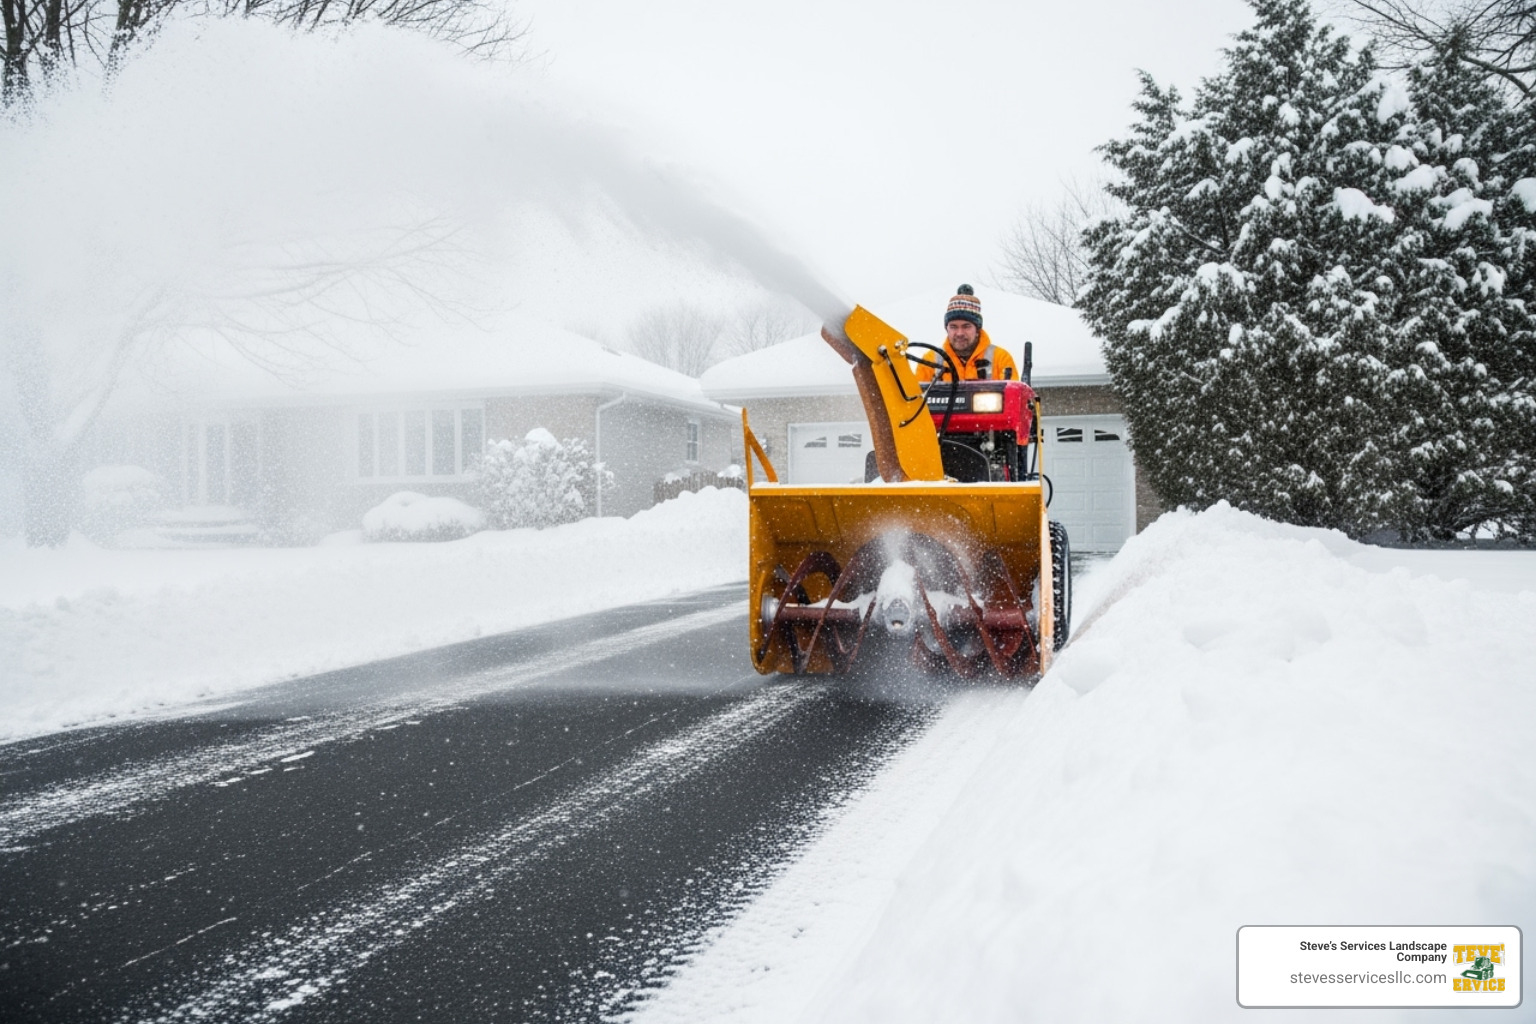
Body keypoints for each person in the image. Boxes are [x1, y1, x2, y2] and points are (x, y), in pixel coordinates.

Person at [915, 284, 1018, 383]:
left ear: (977, 329)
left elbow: (1013, 396)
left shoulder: (1000, 358)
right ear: (947, 329)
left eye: (966, 326)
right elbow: (914, 397)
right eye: (953, 327)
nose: (959, 333)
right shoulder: (929, 361)